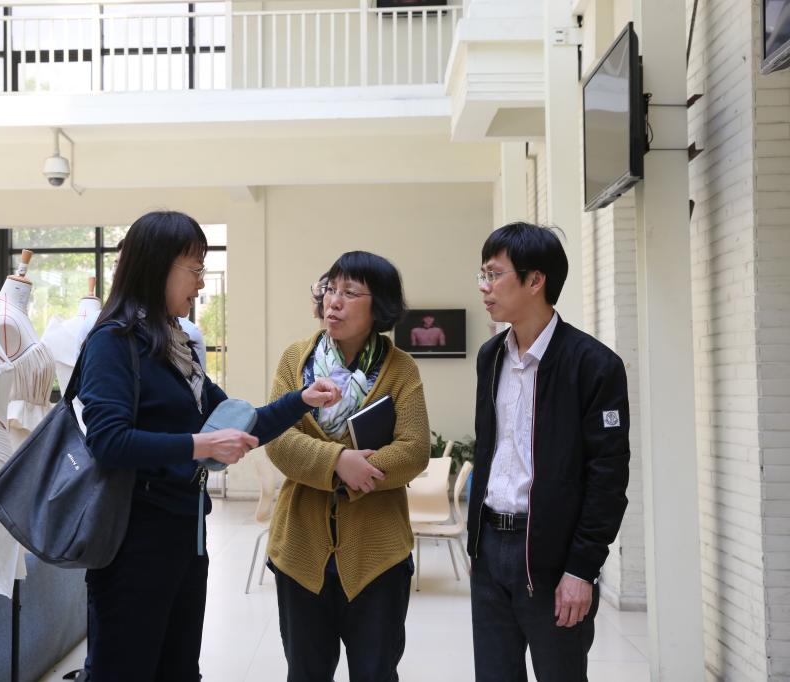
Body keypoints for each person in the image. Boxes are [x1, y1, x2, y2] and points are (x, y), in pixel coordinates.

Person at [77, 210, 341, 681]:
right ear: (158, 266)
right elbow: (108, 441)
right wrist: (200, 444)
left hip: (186, 535)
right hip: (133, 541)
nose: (200, 284)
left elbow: (242, 424)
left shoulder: (175, 346)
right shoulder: (114, 342)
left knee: (179, 669)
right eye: (195, 269)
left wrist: (301, 400)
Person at [467, 222, 631, 681]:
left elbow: (608, 477)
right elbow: (490, 450)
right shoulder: (490, 357)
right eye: (483, 274)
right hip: (490, 550)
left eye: (494, 274)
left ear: (535, 280)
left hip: (553, 556)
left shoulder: (594, 365)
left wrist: (582, 569)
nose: (485, 286)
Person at [265, 251, 430, 682]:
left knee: (376, 672)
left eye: (351, 292)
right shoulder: (295, 359)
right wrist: (338, 462)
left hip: (378, 552)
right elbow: (278, 438)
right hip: (301, 547)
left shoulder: (401, 368)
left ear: (380, 307)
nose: (334, 301)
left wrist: (362, 471)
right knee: (306, 672)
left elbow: (414, 449)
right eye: (330, 289)